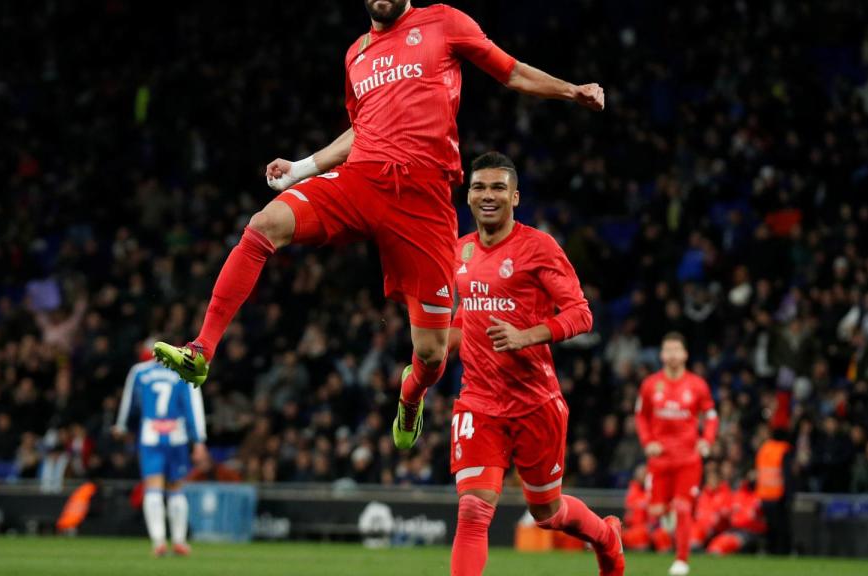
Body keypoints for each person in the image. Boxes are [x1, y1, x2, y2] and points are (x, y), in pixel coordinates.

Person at [151, 0, 605, 452]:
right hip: (362, 180)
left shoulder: (444, 22)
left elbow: (510, 71)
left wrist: (571, 91)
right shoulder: (356, 54)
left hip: (424, 203)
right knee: (264, 224)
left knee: (431, 353)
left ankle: (411, 397)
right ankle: (202, 350)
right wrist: (303, 166)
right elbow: (360, 129)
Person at [445, 152, 623, 576]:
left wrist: (527, 335)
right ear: (468, 196)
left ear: (515, 196)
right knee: (472, 509)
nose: (487, 195)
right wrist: (432, 351)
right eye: (479, 187)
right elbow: (464, 314)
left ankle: (604, 536)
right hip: (478, 401)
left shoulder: (538, 247)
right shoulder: (458, 251)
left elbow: (581, 314)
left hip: (535, 402)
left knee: (546, 511)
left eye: (497, 188)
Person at [636, 332, 718, 576]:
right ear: (661, 354)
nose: (672, 355)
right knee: (656, 511)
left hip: (688, 459)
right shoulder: (651, 385)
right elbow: (641, 416)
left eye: (676, 350)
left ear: (685, 354)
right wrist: (647, 441)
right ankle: (668, 518)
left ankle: (681, 560)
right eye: (667, 350)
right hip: (659, 459)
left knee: (682, 508)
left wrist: (707, 441)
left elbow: (711, 417)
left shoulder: (697, 385)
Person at [114, 348, 208, 557]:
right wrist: (199, 439)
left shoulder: (139, 372)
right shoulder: (184, 371)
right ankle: (179, 541)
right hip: (177, 435)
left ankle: (158, 542)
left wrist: (121, 427)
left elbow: (129, 402)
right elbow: (194, 406)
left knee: (153, 487)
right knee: (176, 488)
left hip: (150, 435)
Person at [755, 428, 793, 555]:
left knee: (770, 527)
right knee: (781, 526)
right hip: (778, 494)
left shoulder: (763, 449)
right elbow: (787, 475)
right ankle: (782, 552)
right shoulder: (783, 450)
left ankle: (771, 551)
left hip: (764, 494)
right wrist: (789, 495)